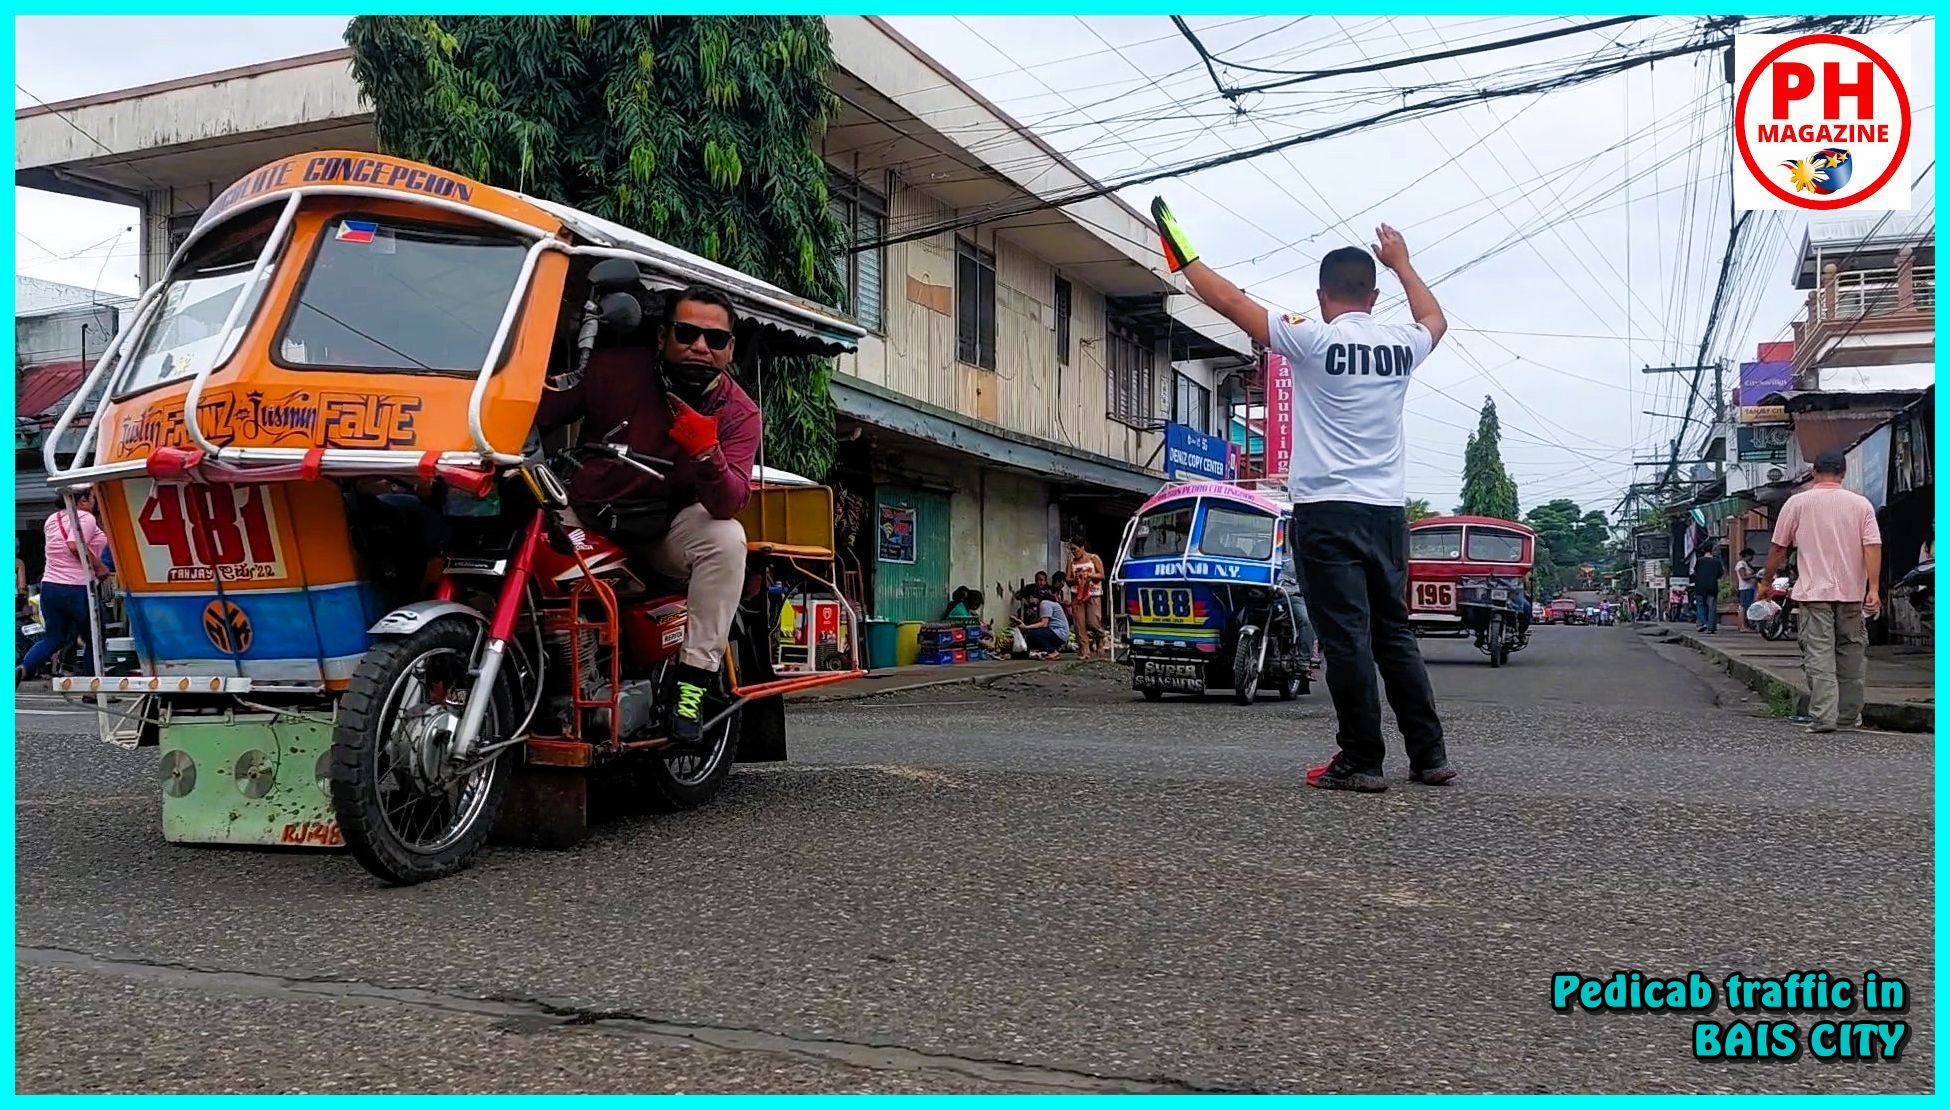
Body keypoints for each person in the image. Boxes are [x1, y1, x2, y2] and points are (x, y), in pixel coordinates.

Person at [1153, 197, 1454, 792]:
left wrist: (1184, 260)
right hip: (1388, 512)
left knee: (1345, 638)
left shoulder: (1311, 340)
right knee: (1393, 633)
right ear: (1373, 295)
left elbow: (1234, 303)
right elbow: (1436, 320)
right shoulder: (1402, 345)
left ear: (1323, 297)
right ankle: (1430, 757)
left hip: (1326, 512)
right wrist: (1403, 262)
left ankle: (1362, 760)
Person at [536, 284, 759, 746]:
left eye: (715, 340)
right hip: (586, 512)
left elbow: (730, 501)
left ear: (729, 349)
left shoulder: (738, 412)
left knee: (726, 538)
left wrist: (707, 454)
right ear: (662, 336)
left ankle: (692, 682)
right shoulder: (613, 371)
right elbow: (540, 411)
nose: (700, 347)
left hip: (664, 529)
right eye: (687, 333)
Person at [1757, 451, 1881, 733]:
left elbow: (1779, 548)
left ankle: (1824, 717)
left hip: (1814, 594)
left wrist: (1766, 582)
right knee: (1851, 652)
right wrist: (1872, 589)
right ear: (1843, 472)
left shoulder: (1797, 503)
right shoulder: (1861, 505)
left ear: (1814, 472)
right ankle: (1848, 717)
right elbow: (1872, 546)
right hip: (1852, 592)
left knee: (1819, 652)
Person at [19, 488, 110, 685]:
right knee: (94, 639)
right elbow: (74, 545)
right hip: (76, 588)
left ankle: (24, 668)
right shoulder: (84, 517)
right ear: (83, 500)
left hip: (51, 588)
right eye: (93, 497)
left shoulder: (52, 519)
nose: (95, 501)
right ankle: (93, 689)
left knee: (54, 638)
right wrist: (100, 566)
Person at [1066, 538, 1106, 661]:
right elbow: (1068, 579)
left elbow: (1101, 575)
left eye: (1075, 549)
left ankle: (1100, 636)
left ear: (1082, 547)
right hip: (1077, 595)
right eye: (1071, 549)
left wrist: (1089, 575)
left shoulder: (1093, 558)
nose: (1073, 552)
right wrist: (1075, 579)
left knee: (1093, 621)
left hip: (1093, 593)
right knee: (1079, 624)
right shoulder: (1071, 562)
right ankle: (1084, 650)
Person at [1018, 590, 1072, 659]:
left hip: (1059, 632)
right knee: (1031, 636)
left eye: (1028, 599)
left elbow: (1044, 624)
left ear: (1032, 597)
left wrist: (1026, 627)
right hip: (1057, 632)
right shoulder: (1047, 603)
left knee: (1033, 634)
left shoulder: (1045, 603)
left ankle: (1052, 651)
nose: (1028, 602)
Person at [1691, 546, 1725, 633]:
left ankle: (1702, 624)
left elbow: (1695, 572)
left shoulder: (1699, 561)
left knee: (1700, 605)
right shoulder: (1716, 562)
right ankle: (1711, 627)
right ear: (1712, 551)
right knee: (1712, 607)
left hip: (1700, 586)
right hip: (1712, 586)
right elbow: (1720, 574)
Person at [1734, 547, 1759, 631]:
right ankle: (1743, 626)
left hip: (1749, 588)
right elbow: (1743, 577)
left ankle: (1745, 625)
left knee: (1746, 606)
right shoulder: (1741, 564)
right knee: (1744, 607)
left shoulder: (1746, 564)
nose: (1752, 558)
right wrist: (1755, 576)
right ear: (1747, 555)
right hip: (1745, 588)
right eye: (1751, 556)